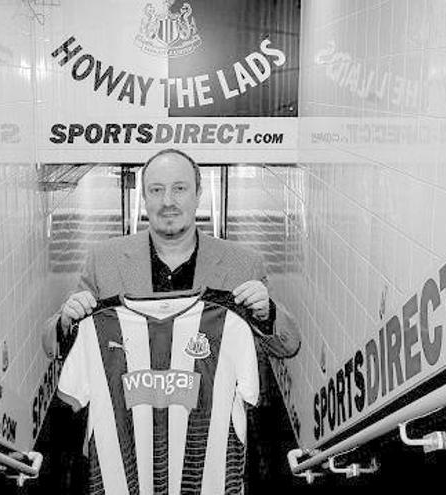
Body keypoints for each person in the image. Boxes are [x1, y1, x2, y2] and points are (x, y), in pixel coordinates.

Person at [41, 148, 301, 491]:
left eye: (179, 189)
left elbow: (289, 344)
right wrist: (65, 320)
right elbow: (52, 344)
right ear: (143, 197)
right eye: (156, 190)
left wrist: (267, 315)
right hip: (130, 445)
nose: (168, 201)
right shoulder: (103, 261)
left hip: (202, 449)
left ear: (198, 194)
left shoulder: (242, 264)